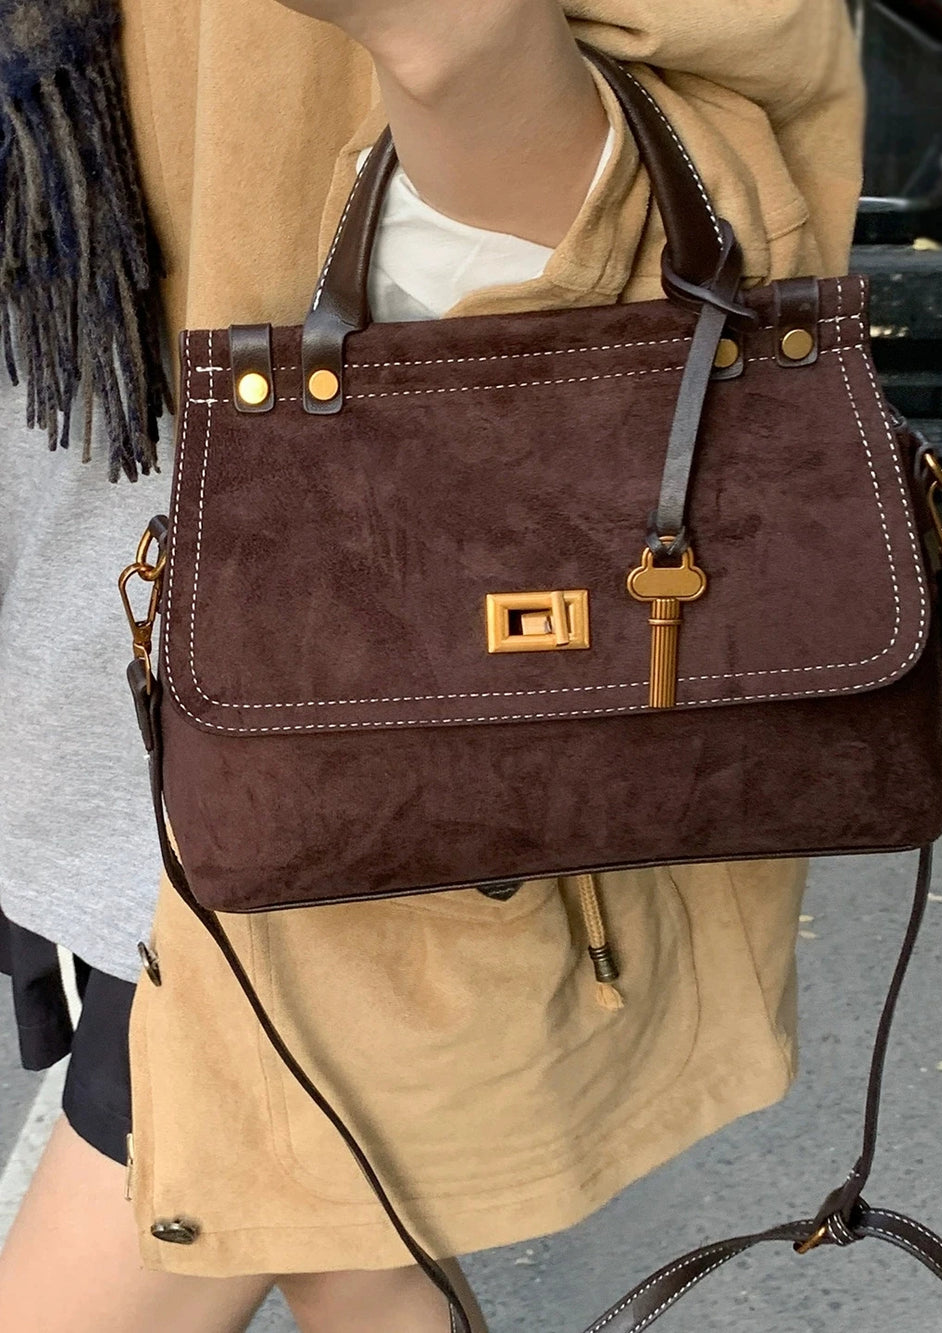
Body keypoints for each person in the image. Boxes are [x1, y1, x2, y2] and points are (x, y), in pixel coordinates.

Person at [0, 1, 865, 1330]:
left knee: (240, 1175)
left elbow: (729, 74)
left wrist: (458, 68)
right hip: (82, 624)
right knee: (353, 1234)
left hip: (319, 664)